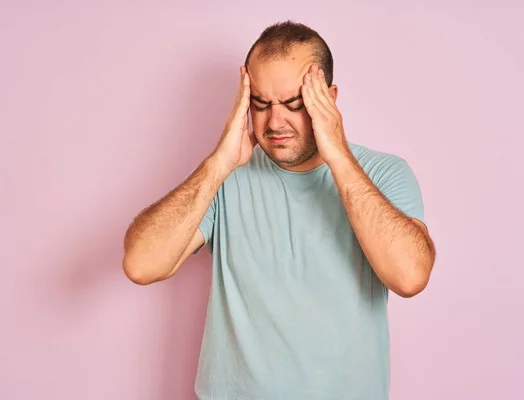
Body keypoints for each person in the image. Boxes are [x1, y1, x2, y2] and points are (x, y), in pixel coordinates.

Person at [122, 20, 436, 400]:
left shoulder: (383, 173)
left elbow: (410, 277)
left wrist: (337, 154)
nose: (275, 122)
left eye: (293, 104)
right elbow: (142, 265)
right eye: (260, 103)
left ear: (329, 99)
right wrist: (219, 163)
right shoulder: (226, 179)